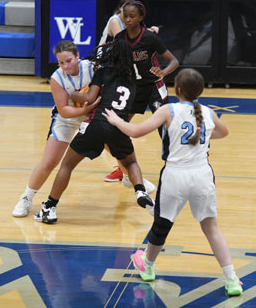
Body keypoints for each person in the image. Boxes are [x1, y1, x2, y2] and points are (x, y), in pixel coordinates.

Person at [103, 68, 243, 297]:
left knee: (162, 224)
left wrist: (117, 120)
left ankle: (148, 265)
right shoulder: (208, 112)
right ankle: (232, 279)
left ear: (177, 90)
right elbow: (224, 132)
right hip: (202, 175)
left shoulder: (168, 110)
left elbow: (135, 132)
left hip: (175, 175)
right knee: (211, 228)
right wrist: (203, 136)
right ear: (200, 91)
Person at [34, 40, 154, 224]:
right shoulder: (133, 81)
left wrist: (74, 94)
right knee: (130, 162)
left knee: (67, 165)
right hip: (119, 126)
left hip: (97, 124)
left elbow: (89, 98)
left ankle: (49, 207)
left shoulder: (103, 72)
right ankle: (140, 190)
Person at [12, 40, 100, 218]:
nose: (65, 66)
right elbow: (64, 111)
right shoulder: (56, 78)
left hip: (91, 117)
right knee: (49, 162)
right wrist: (85, 109)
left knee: (115, 145)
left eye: (69, 61)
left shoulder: (92, 68)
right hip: (67, 119)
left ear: (78, 56)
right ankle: (26, 198)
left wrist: (90, 110)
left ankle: (133, 181)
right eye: (61, 62)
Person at [104, 0, 179, 183]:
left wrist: (163, 72)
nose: (128, 19)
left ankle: (174, 166)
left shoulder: (149, 38)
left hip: (154, 87)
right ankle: (123, 167)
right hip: (133, 88)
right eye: (125, 16)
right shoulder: (120, 38)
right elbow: (113, 64)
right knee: (117, 128)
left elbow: (174, 61)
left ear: (140, 17)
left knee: (164, 127)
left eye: (132, 16)